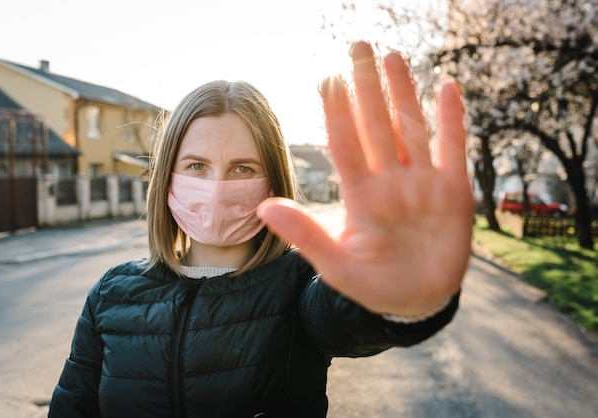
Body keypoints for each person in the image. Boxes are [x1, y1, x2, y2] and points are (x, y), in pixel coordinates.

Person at [48, 40, 473, 417]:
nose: (217, 187)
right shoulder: (111, 293)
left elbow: (347, 317)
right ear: (168, 178)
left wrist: (399, 293)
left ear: (272, 181)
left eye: (242, 168)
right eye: (197, 165)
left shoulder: (300, 285)